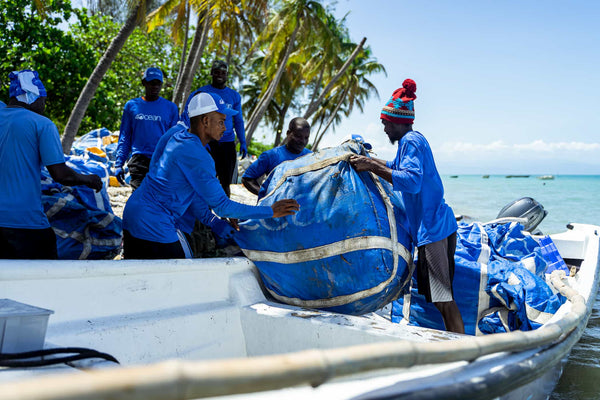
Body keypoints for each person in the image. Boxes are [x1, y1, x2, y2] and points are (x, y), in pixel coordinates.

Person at [122, 92, 299, 259]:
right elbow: (222, 205)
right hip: (154, 223)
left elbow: (191, 195)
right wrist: (271, 211)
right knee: (178, 277)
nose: (225, 127)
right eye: (221, 121)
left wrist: (213, 221)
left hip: (134, 214)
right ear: (205, 121)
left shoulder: (179, 137)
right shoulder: (197, 154)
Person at [348, 79, 464, 334]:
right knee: (439, 297)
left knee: (443, 299)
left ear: (399, 121)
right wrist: (368, 159)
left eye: (386, 123)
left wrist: (371, 167)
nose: (384, 127)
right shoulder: (408, 143)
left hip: (432, 230)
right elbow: (393, 165)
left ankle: (463, 352)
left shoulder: (411, 141)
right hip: (433, 227)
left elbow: (411, 182)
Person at [0, 70, 102, 259]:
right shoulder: (42, 124)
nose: (44, 106)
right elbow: (61, 175)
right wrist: (88, 179)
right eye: (43, 100)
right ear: (32, 97)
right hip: (24, 222)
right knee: (44, 277)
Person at [181, 60, 246, 197]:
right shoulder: (201, 92)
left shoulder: (234, 96)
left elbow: (238, 120)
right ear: (212, 73)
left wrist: (243, 141)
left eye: (223, 73)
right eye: (216, 72)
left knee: (225, 182)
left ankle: (226, 215)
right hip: (208, 143)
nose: (220, 75)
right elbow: (187, 116)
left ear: (227, 75)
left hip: (227, 143)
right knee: (206, 180)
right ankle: (205, 215)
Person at [114, 67, 179, 190]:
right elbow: (125, 136)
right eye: (151, 83)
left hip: (162, 160)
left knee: (158, 200)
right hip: (139, 160)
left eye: (158, 83)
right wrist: (119, 163)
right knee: (139, 198)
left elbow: (175, 139)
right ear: (144, 83)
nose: (155, 86)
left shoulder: (171, 108)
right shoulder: (131, 106)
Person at [242, 117, 312, 196]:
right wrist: (267, 196)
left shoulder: (312, 158)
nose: (303, 141)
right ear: (288, 133)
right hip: (275, 207)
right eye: (298, 136)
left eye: (306, 137)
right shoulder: (270, 156)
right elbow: (247, 179)